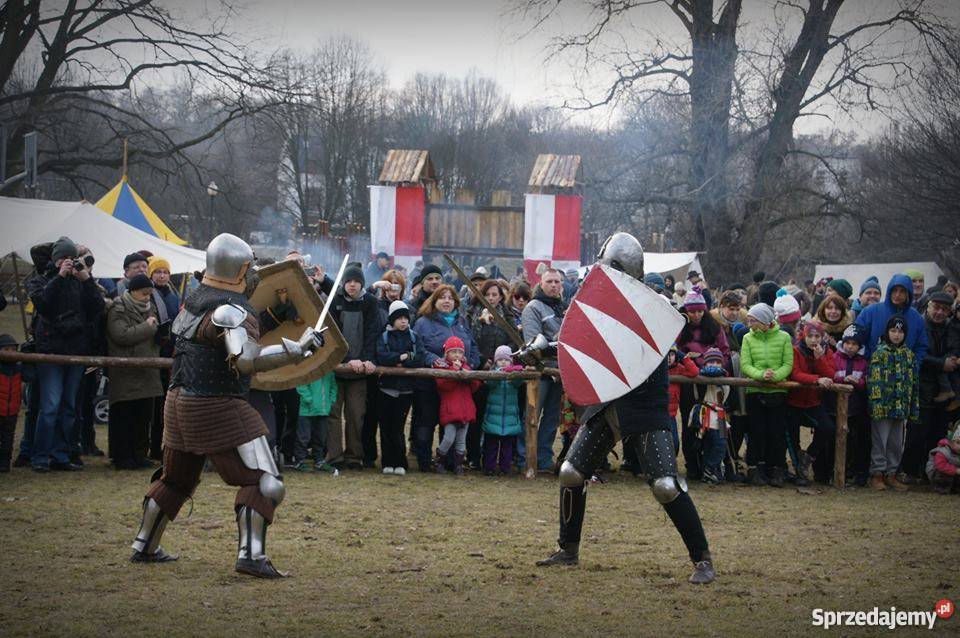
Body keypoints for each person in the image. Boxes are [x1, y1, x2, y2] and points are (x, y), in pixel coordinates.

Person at [128, 233, 327, 578]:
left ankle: (145, 543)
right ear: (242, 270)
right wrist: (299, 347)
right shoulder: (230, 309)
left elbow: (224, 337)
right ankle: (252, 555)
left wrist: (274, 315)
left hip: (178, 402)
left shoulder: (195, 300)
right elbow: (245, 358)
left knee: (176, 479)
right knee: (266, 481)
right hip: (216, 404)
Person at [536, 233, 714, 585]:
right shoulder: (601, 303)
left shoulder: (654, 308)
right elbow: (587, 341)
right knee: (571, 472)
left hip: (645, 406)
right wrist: (545, 348)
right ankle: (568, 549)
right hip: (610, 401)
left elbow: (629, 346)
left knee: (664, 484)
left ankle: (703, 560)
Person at [26, 236, 105, 472]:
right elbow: (43, 303)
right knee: (49, 406)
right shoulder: (40, 280)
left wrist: (87, 280)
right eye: (64, 259)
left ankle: (61, 454)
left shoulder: (81, 282)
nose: (69, 263)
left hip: (76, 351)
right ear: (56, 259)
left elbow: (97, 307)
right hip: (50, 351)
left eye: (71, 259)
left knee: (70, 406)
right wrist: (59, 277)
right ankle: (40, 456)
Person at [411, 284, 480, 471]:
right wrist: (434, 361)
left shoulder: (462, 323)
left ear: (456, 302)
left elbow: (473, 347)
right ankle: (424, 461)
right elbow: (417, 348)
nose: (447, 301)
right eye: (442, 297)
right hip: (429, 383)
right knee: (426, 421)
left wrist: (470, 364)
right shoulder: (423, 322)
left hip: (457, 386)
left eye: (450, 297)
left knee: (453, 423)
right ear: (435, 301)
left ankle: (449, 461)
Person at [106, 274, 163, 470]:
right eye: (144, 293)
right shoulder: (118, 307)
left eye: (150, 294)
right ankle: (122, 456)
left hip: (148, 368)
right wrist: (148, 328)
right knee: (124, 416)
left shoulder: (152, 308)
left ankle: (139, 454)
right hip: (126, 370)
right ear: (132, 291)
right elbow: (120, 335)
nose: (147, 297)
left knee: (143, 417)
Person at [903, 291, 957, 482]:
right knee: (917, 431)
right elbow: (915, 353)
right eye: (936, 307)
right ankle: (910, 470)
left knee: (938, 430)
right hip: (921, 384)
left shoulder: (951, 328)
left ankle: (932, 471)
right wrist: (941, 364)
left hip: (945, 387)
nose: (940, 313)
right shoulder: (918, 324)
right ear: (929, 306)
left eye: (944, 309)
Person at [676, 288, 729, 480]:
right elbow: (676, 352)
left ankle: (711, 464)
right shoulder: (680, 328)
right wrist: (686, 361)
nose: (696, 315)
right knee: (691, 423)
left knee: (714, 424)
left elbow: (724, 351)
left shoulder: (715, 328)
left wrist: (717, 366)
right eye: (692, 311)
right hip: (689, 382)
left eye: (699, 311)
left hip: (712, 383)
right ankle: (692, 465)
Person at [740, 303, 794, 487]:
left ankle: (777, 469)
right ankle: (755, 468)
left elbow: (788, 363)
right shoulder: (747, 338)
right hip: (755, 391)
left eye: (753, 320)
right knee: (756, 432)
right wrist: (761, 375)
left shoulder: (784, 337)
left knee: (776, 433)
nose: (750, 324)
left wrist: (776, 376)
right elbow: (745, 364)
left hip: (778, 391)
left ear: (764, 320)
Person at [520, 268, 567, 472]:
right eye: (550, 281)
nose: (554, 285)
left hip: (560, 371)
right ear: (541, 283)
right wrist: (561, 336)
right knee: (532, 416)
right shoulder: (533, 308)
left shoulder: (563, 307)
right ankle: (524, 458)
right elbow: (532, 343)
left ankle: (544, 459)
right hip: (540, 372)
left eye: (557, 281)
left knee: (551, 419)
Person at [867, 316, 919, 492]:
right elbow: (873, 381)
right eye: (893, 331)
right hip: (882, 407)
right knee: (880, 441)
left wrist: (912, 407)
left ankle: (892, 474)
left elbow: (913, 383)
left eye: (901, 332)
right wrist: (876, 404)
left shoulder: (909, 355)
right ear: (887, 332)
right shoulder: (879, 353)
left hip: (901, 406)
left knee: (896, 442)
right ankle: (877, 473)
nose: (897, 335)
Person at [467, 279, 513, 469]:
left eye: (495, 294)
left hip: (501, 373)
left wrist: (501, 361)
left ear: (501, 297)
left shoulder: (507, 316)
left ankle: (495, 459)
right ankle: (473, 456)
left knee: (495, 417)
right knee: (476, 416)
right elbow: (469, 340)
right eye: (488, 294)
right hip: (479, 370)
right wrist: (482, 359)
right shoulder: (472, 314)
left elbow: (514, 341)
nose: (491, 298)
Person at [375, 300, 424, 475]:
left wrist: (400, 359)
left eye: (406, 317)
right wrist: (402, 357)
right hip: (386, 388)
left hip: (406, 390)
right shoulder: (384, 337)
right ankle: (387, 462)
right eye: (399, 318)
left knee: (398, 427)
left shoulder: (414, 337)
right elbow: (382, 357)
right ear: (392, 320)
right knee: (385, 427)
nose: (403, 321)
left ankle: (400, 462)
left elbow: (419, 358)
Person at [786, 321, 836, 485]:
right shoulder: (795, 351)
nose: (814, 340)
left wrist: (819, 359)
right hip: (794, 401)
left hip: (814, 402)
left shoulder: (826, 352)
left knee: (827, 428)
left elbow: (831, 374)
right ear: (804, 336)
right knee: (792, 437)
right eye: (810, 336)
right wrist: (817, 379)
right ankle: (798, 469)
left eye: (817, 336)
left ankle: (808, 457)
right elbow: (795, 374)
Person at [855, 274, 928, 368]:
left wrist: (912, 367)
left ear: (908, 293)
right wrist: (870, 362)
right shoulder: (870, 312)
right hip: (874, 372)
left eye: (902, 291)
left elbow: (921, 346)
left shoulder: (917, 318)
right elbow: (858, 339)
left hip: (904, 375)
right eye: (894, 290)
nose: (897, 295)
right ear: (889, 290)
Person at [431, 336, 480, 475]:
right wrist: (454, 371)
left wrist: (468, 376)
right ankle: (439, 461)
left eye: (460, 352)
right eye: (454, 352)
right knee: (448, 438)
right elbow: (443, 385)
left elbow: (475, 386)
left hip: (466, 410)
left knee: (461, 441)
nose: (457, 355)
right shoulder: (442, 367)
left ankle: (458, 465)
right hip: (451, 410)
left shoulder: (466, 367)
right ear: (447, 353)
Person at [148, 256, 179, 460]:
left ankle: (164, 445)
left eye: (165, 272)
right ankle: (153, 445)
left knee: (167, 405)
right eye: (158, 272)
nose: (162, 275)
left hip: (171, 352)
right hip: (154, 351)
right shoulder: (149, 294)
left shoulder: (173, 295)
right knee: (155, 405)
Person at [831, 325, 869, 486]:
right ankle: (834, 471)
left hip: (855, 408)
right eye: (848, 343)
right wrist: (842, 380)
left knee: (855, 441)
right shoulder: (835, 357)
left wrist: (858, 383)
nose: (850, 346)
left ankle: (853, 471)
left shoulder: (863, 362)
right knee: (836, 440)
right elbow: (830, 374)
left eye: (854, 344)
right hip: (836, 407)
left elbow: (866, 382)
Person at [481, 345, 524, 476]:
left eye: (506, 360)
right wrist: (499, 374)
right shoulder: (492, 374)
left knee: (507, 448)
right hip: (494, 418)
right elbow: (490, 384)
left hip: (509, 419)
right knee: (491, 446)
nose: (503, 362)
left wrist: (516, 374)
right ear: (495, 361)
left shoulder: (513, 376)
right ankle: (489, 467)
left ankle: (505, 468)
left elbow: (519, 383)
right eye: (500, 360)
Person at [293, 371, 338, 473]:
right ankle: (300, 460)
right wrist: (309, 400)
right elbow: (301, 385)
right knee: (303, 437)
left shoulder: (329, 372)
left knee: (321, 437)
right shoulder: (308, 370)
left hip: (323, 410)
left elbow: (333, 386)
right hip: (307, 411)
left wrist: (331, 400)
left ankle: (319, 460)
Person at [668, 345, 700, 454]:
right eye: (666, 355)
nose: (669, 358)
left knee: (675, 444)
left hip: (671, 415)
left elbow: (694, 372)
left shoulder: (678, 369)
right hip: (657, 413)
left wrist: (684, 357)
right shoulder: (658, 369)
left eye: (672, 354)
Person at [0, 334, 23, 473]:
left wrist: (28, 360)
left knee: (8, 440)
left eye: (13, 349)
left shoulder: (19, 368)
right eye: (6, 349)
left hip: (11, 411)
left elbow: (30, 376)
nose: (10, 353)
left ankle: (4, 463)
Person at [926, 427, 960, 494]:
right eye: (958, 443)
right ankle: (941, 487)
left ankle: (954, 487)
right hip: (937, 473)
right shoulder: (942, 451)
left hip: (953, 473)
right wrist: (956, 470)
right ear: (951, 442)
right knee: (942, 474)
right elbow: (940, 466)